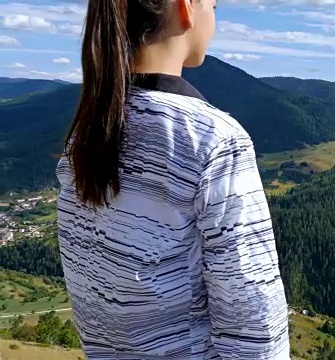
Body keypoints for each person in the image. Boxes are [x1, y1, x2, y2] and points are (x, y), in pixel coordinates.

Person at [56, 0, 290, 358]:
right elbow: (251, 316)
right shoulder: (214, 139)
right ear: (187, 7)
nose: (214, 16)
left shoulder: (89, 133)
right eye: (213, 5)